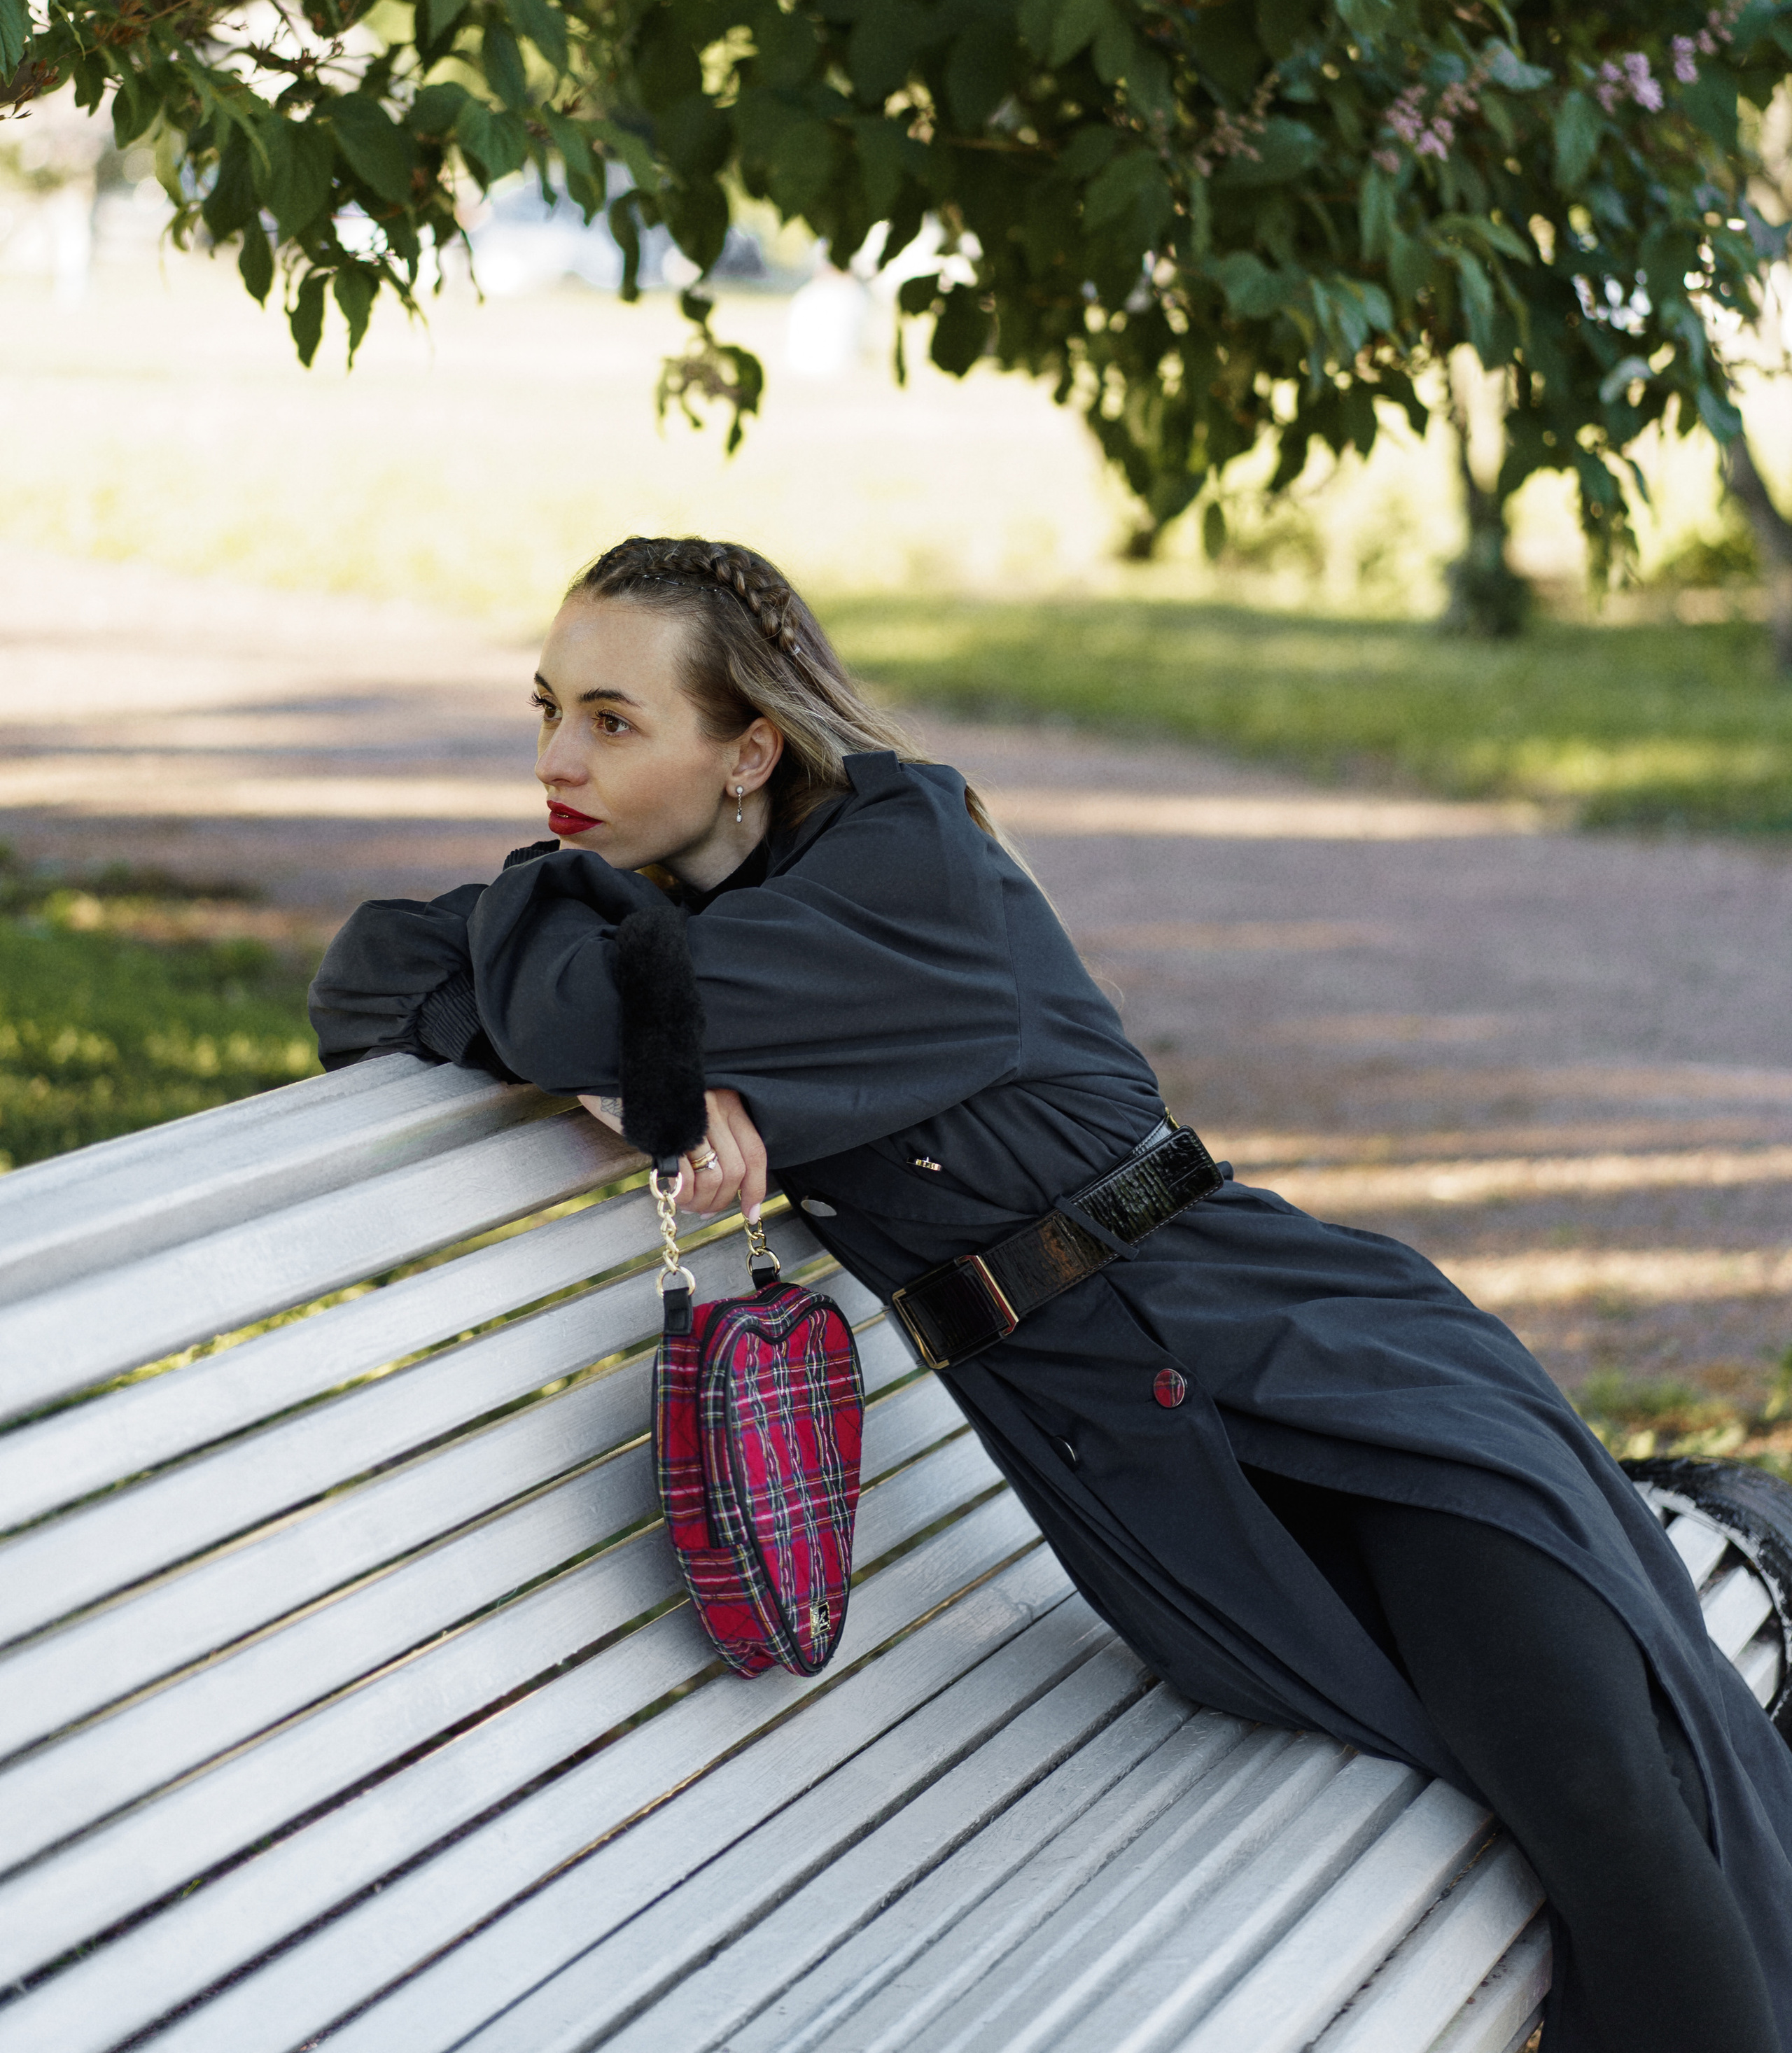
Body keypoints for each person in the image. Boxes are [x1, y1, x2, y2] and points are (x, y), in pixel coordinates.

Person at [310, 535, 1792, 2053]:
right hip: (1146, 1473)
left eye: (614, 721)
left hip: (1322, 1364)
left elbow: (567, 998)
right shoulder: (670, 923)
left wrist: (646, 1049)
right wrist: (660, 1059)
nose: (559, 758)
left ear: (749, 747)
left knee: (1610, 1790)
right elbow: (366, 974)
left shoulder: (910, 855)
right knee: (1544, 1783)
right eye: (548, 708)